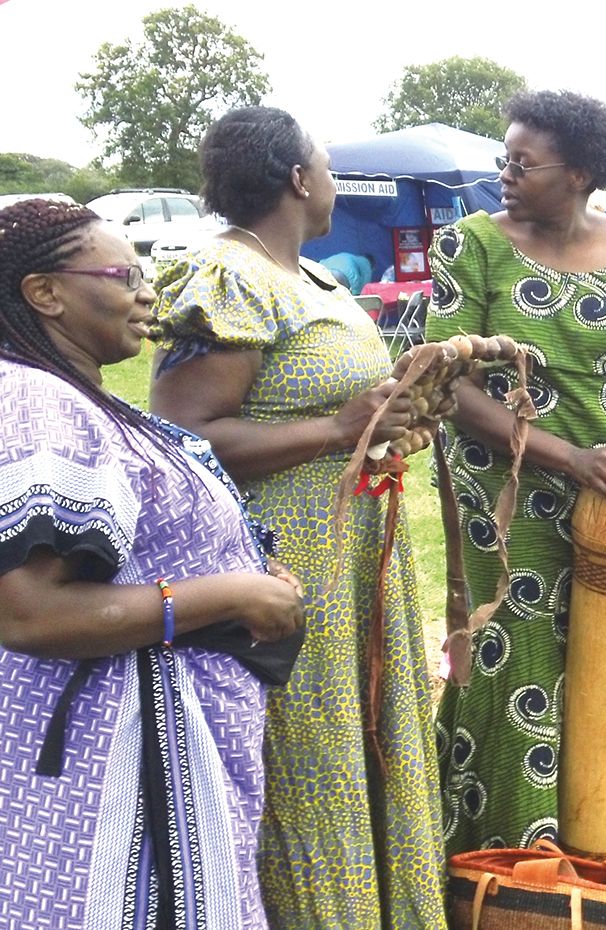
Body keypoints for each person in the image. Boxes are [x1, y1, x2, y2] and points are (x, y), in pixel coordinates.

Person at [147, 107, 445, 927]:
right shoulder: (230, 276)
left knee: (359, 741)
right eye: (322, 157)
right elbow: (181, 439)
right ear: (297, 178)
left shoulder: (315, 278)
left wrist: (385, 427)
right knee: (309, 763)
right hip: (286, 567)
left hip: (353, 557)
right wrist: (338, 430)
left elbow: (334, 410)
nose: (330, 173)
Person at [0, 198, 305, 927]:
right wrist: (230, 592)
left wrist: (253, 576)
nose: (147, 295)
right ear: (45, 293)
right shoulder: (39, 400)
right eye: (122, 275)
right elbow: (31, 613)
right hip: (115, 764)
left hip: (160, 739)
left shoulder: (74, 394)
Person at [427, 90, 606, 871]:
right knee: (516, 653)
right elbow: (451, 389)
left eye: (524, 162)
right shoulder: (471, 247)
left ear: (580, 173)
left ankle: (602, 840)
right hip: (504, 488)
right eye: (502, 160)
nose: (505, 174)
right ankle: (508, 855)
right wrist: (564, 456)